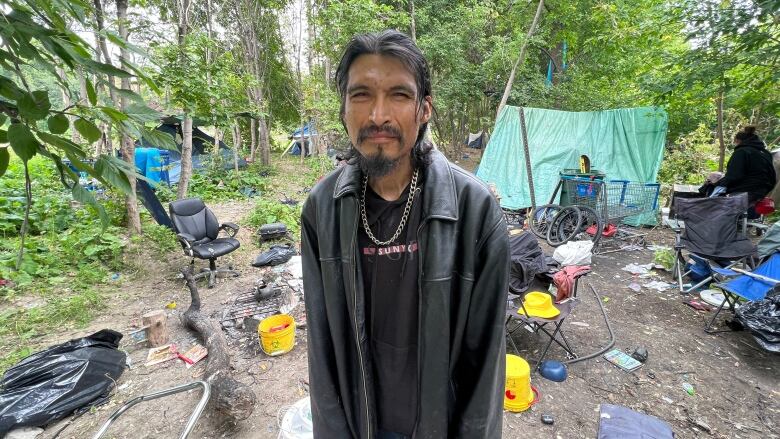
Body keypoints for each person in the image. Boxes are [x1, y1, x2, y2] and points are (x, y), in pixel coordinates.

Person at [300, 30, 509, 439]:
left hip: (439, 425)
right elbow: (322, 352)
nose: (378, 115)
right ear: (344, 110)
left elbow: (485, 364)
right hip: (361, 424)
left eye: (398, 94)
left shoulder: (475, 211)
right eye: (361, 95)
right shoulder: (321, 210)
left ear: (424, 109)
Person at [714, 126, 776, 204]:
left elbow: (734, 175)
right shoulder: (766, 153)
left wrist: (718, 184)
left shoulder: (742, 152)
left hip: (745, 190)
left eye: (735, 142)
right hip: (763, 191)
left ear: (738, 140)